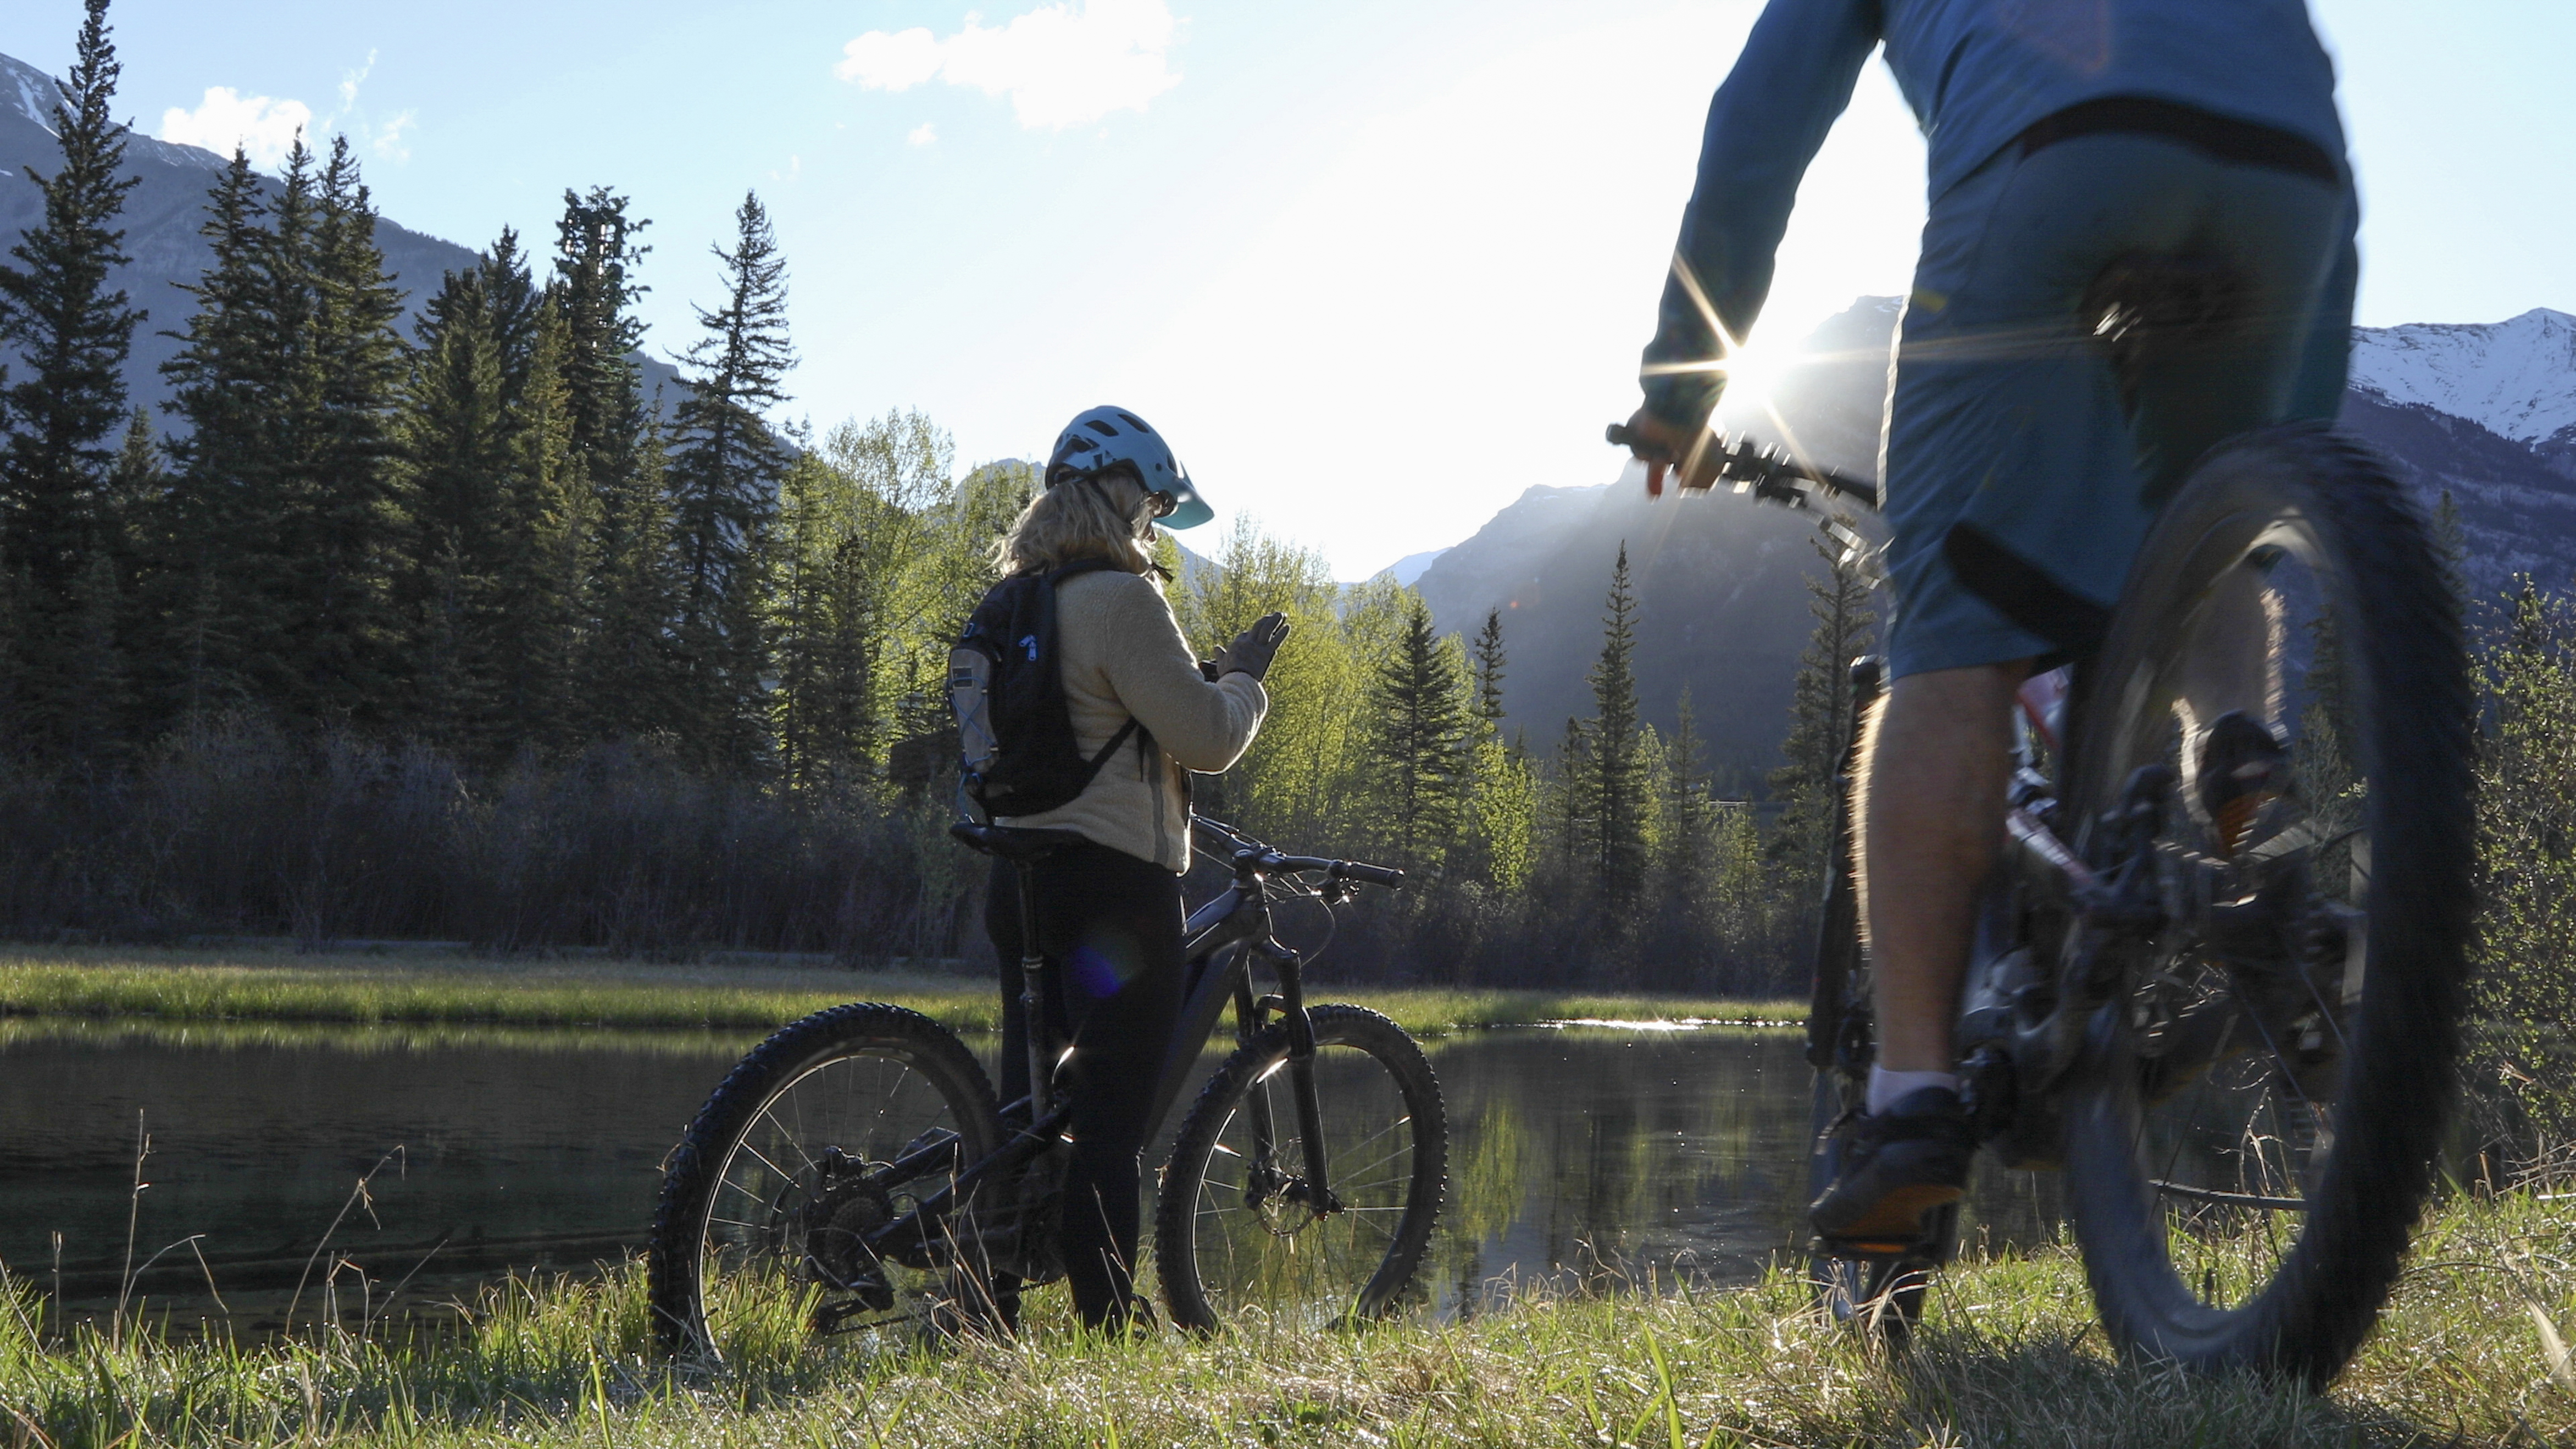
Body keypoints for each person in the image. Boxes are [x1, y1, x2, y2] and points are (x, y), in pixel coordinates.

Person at [1620, 2, 2354, 1250]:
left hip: (2061, 159)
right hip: (2293, 164)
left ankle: (1908, 1105)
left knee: (1953, 646)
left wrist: (1683, 381)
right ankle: (2246, 786)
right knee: (2204, 526)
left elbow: (1758, 124)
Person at [981, 405, 1290, 1331]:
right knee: (1110, 1119)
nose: (1152, 526)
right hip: (1116, 891)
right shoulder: (1121, 597)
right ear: (1118, 492)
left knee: (1019, 1111)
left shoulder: (1013, 604)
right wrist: (1242, 677)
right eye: (1151, 507)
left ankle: (978, 1303)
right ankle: (1112, 1325)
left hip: (1020, 880)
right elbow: (1203, 737)